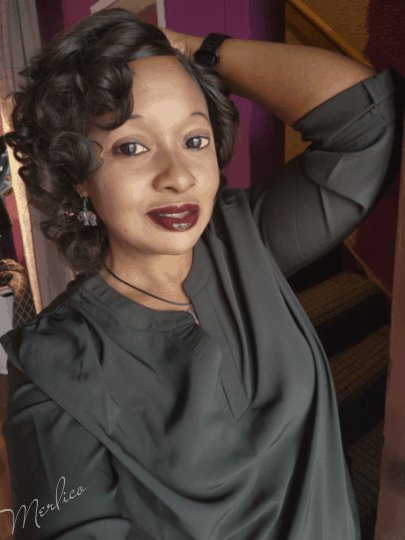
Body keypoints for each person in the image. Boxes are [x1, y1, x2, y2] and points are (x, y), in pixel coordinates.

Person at [0, 7, 404, 540]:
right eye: (132, 147)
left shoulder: (243, 234)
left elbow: (368, 122)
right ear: (77, 172)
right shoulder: (51, 368)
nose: (178, 176)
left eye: (195, 140)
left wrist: (193, 51)